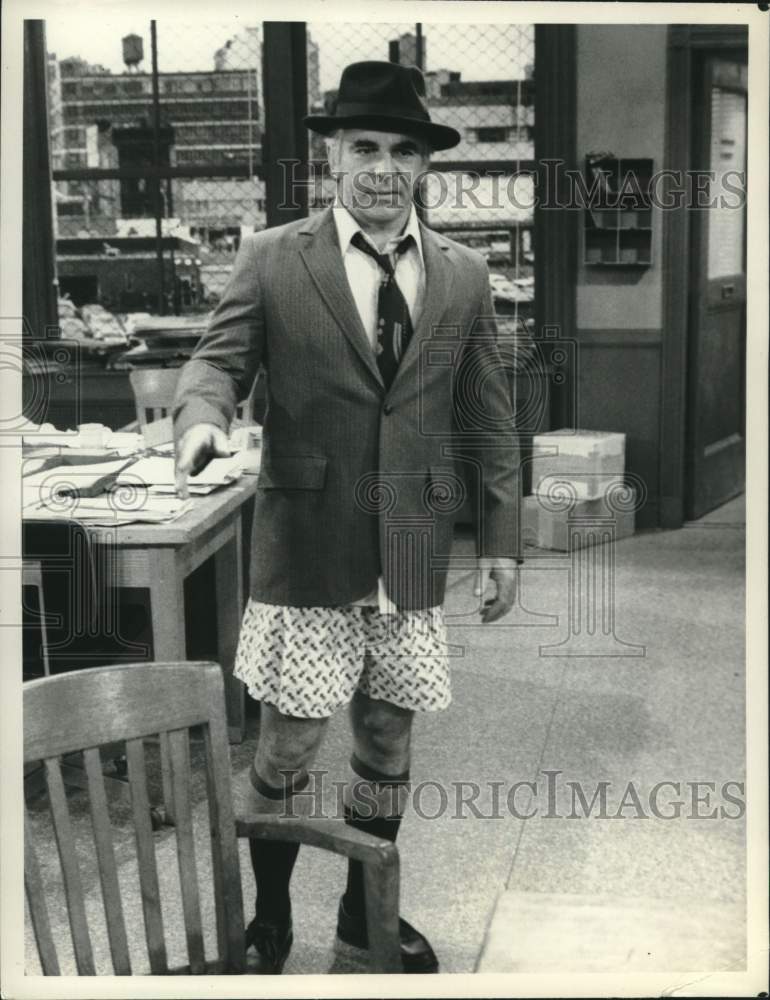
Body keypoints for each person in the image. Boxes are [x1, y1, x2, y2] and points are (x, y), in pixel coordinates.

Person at [173, 60, 521, 975]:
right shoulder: (272, 258)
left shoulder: (464, 275)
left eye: (403, 150)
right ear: (332, 155)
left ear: (424, 167)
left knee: (387, 735)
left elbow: (486, 414)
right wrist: (202, 422)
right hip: (308, 546)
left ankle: (367, 917)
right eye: (364, 145)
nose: (383, 166)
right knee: (287, 746)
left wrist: (501, 542)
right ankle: (272, 914)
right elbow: (218, 362)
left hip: (408, 547)